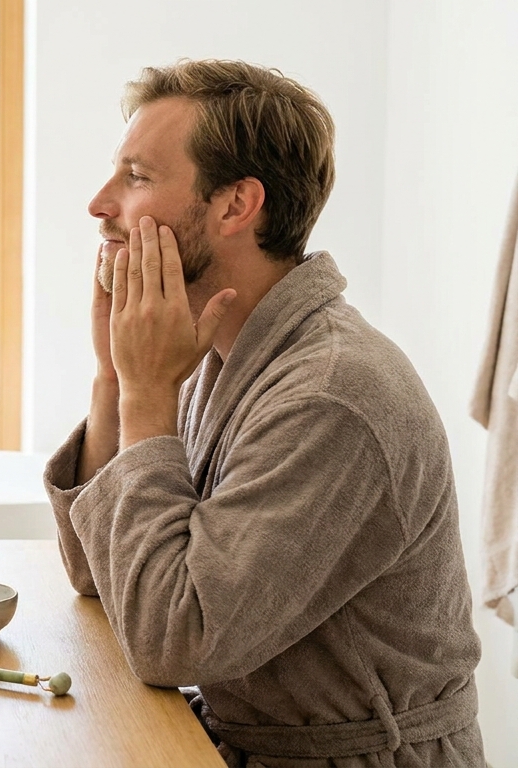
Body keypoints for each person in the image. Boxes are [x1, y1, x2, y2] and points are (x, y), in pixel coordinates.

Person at [43, 60, 484, 766]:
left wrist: (147, 394)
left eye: (136, 177)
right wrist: (112, 378)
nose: (99, 203)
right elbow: (101, 576)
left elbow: (170, 640)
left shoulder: (332, 395)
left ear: (234, 207)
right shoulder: (220, 356)